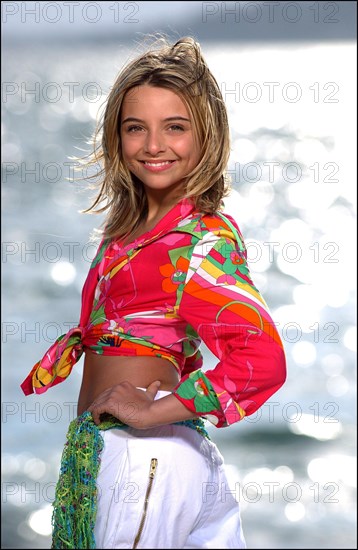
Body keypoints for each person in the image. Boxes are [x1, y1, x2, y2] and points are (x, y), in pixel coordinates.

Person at [20, 36, 286, 549]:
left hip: (147, 461)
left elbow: (262, 358)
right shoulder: (128, 232)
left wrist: (152, 411)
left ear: (207, 137)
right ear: (116, 137)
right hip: (143, 461)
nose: (152, 145)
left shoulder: (200, 239)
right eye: (135, 127)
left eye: (176, 127)